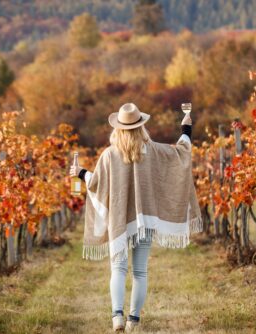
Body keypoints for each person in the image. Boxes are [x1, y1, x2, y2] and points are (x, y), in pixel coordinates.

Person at [69, 103, 202, 332]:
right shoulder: (154, 151)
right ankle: (133, 321)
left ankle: (117, 317)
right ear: (141, 126)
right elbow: (180, 153)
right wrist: (186, 129)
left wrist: (80, 172)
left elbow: (96, 182)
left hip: (120, 219)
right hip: (146, 220)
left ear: (118, 128)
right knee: (140, 271)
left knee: (118, 268)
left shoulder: (109, 155)